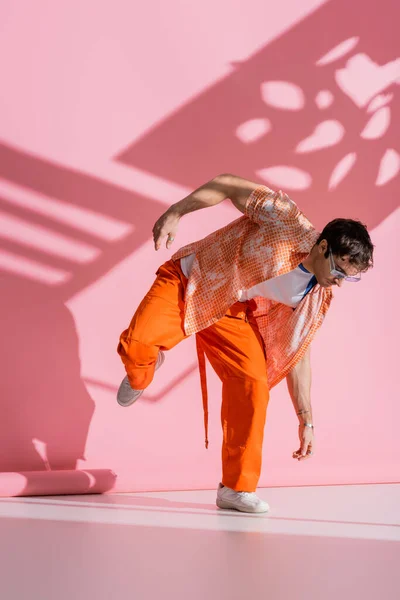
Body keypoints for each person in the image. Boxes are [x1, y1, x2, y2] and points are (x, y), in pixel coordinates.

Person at [116, 174, 374, 514]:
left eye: (349, 278)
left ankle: (235, 488)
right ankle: (145, 368)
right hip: (190, 279)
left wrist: (306, 419)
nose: (339, 283)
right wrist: (177, 211)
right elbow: (225, 184)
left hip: (231, 311)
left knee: (253, 386)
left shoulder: (316, 297)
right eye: (340, 271)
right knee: (137, 345)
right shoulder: (285, 218)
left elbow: (299, 351)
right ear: (323, 247)